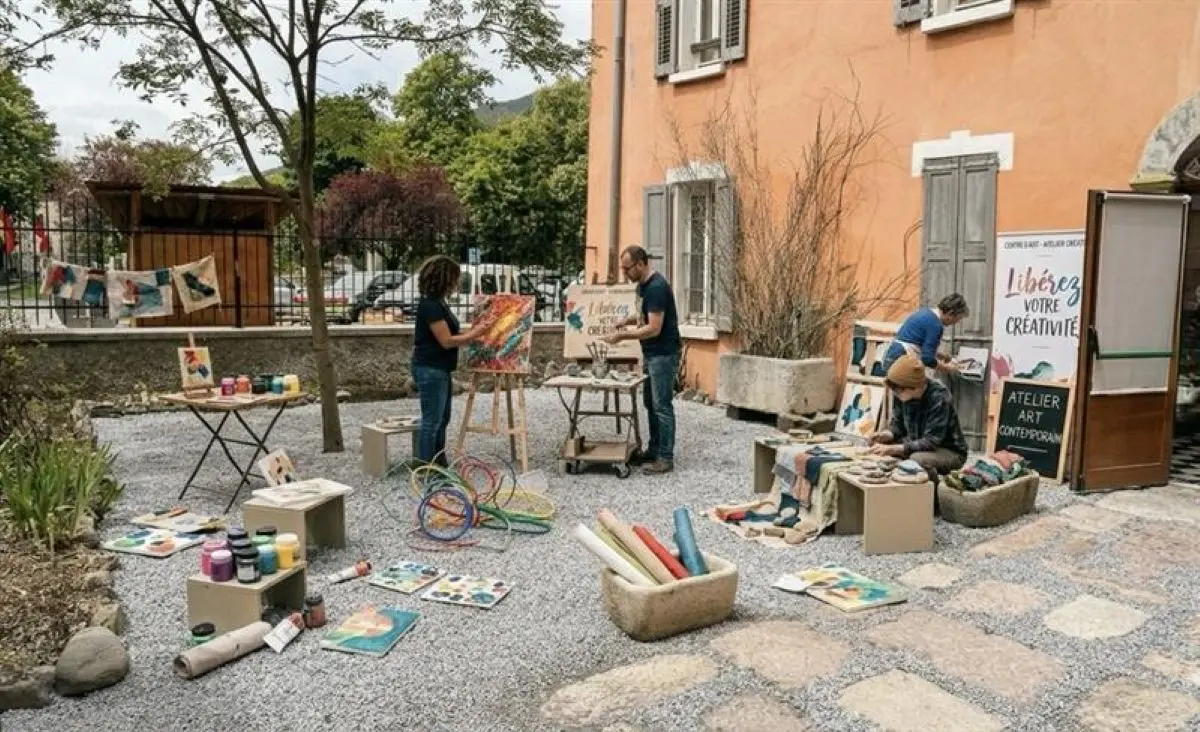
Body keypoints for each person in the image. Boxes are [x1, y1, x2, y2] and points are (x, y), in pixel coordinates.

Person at [601, 245, 682, 474]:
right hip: (651, 353)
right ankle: (654, 449)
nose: (625, 274)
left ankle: (666, 457)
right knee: (649, 402)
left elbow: (654, 328)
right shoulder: (642, 287)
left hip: (663, 353)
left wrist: (622, 336)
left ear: (640, 263)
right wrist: (626, 321)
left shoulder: (656, 288)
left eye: (627, 269)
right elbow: (643, 315)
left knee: (662, 405)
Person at [410, 255, 487, 466]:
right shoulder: (431, 306)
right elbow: (446, 341)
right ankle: (427, 467)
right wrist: (474, 335)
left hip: (439, 368)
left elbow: (451, 333)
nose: (456, 283)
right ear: (444, 279)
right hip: (430, 368)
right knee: (432, 421)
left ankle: (438, 462)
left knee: (442, 419)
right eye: (454, 278)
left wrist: (472, 331)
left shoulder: (438, 303)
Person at [868, 353, 969, 483]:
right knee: (877, 446)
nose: (896, 394)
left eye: (899, 391)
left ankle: (932, 499)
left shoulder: (939, 396)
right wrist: (885, 435)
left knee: (917, 460)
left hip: (948, 450)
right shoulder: (902, 393)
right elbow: (897, 426)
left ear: (915, 387)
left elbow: (931, 442)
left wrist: (896, 448)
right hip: (915, 442)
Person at [880, 293, 971, 379]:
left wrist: (944, 357)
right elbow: (928, 359)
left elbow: (918, 343)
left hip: (893, 355)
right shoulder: (935, 325)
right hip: (903, 359)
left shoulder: (925, 312)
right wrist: (948, 368)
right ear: (950, 313)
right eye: (957, 319)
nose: (955, 323)